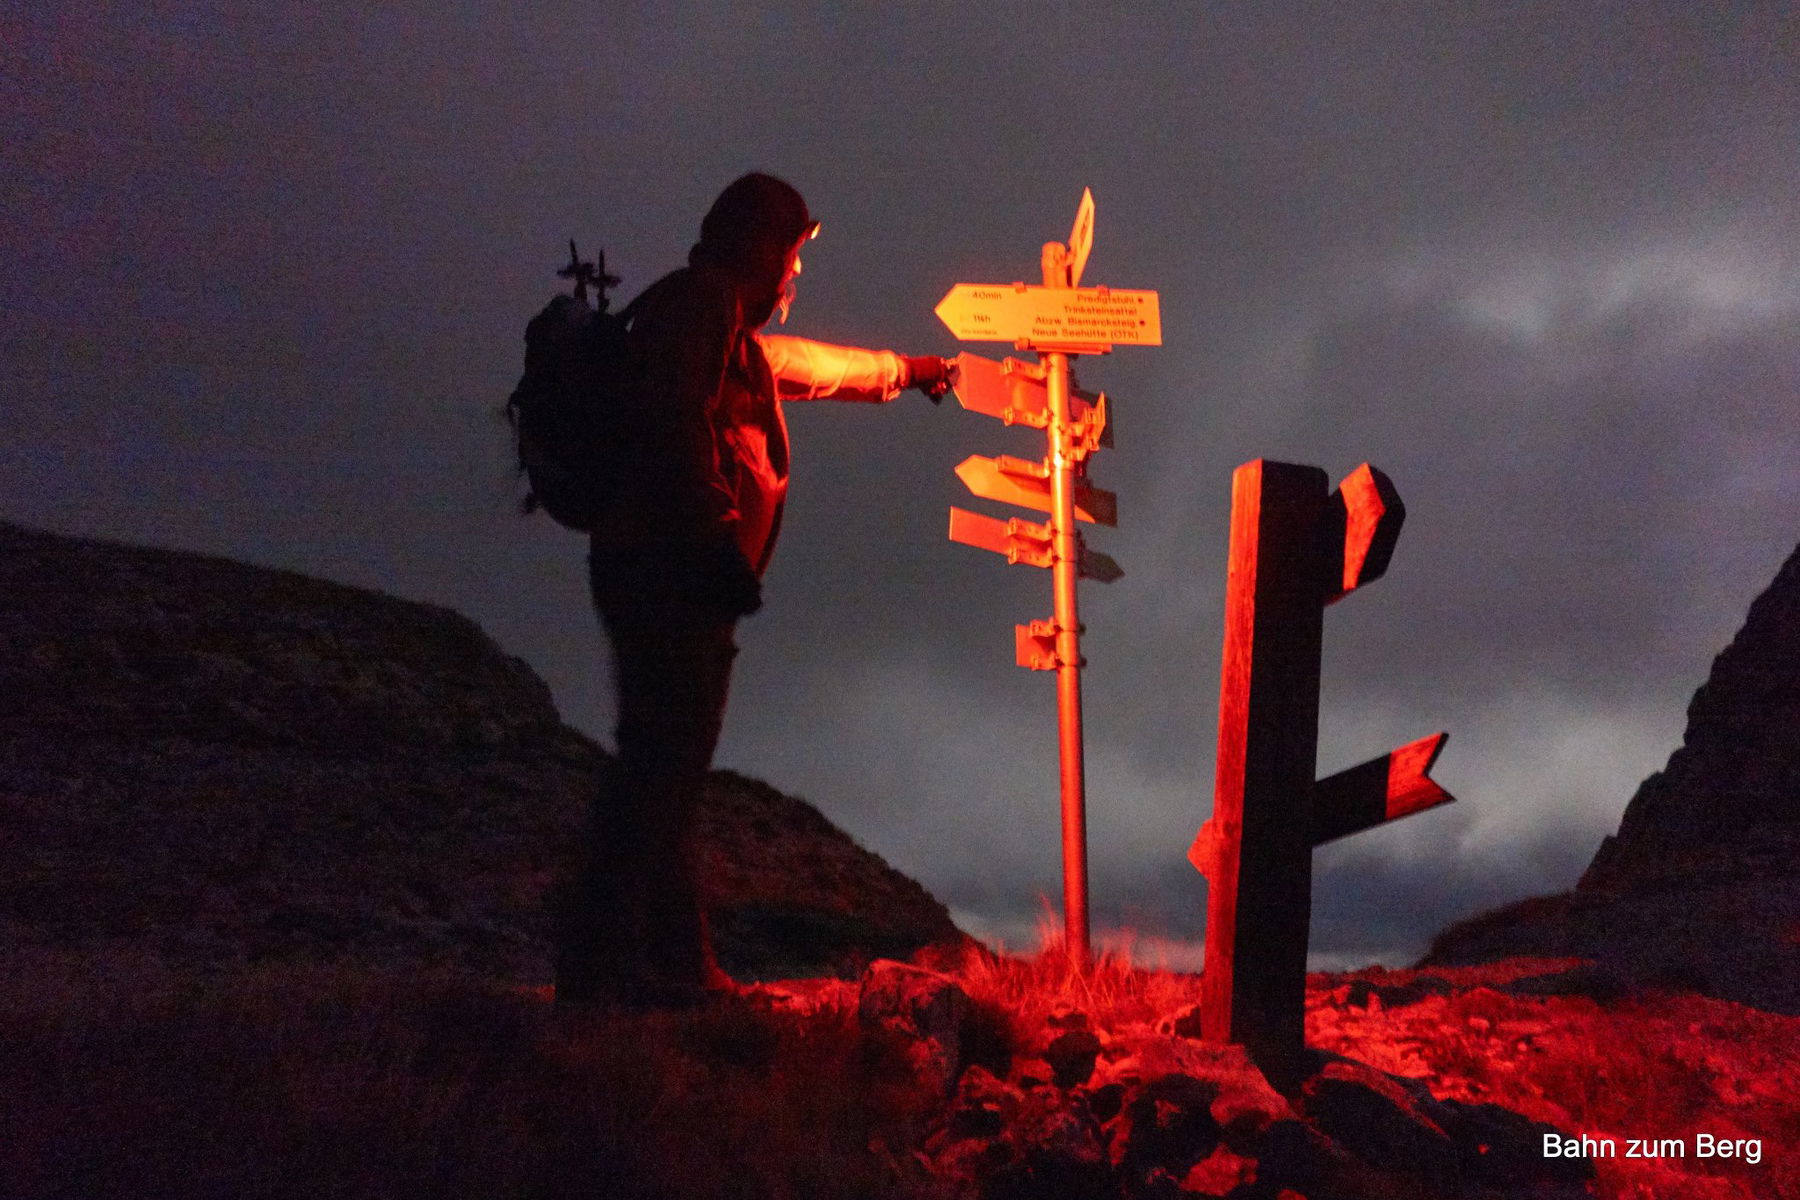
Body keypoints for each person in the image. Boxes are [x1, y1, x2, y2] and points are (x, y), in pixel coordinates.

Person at [555, 173, 956, 1008]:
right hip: (672, 576)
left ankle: (670, 970)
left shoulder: (720, 324)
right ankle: (603, 977)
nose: (796, 276)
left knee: (664, 771)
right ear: (758, 246)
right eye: (791, 254)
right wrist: (712, 545)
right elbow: (675, 421)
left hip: (670, 575)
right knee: (658, 771)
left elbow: (812, 366)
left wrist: (910, 370)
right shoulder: (698, 306)